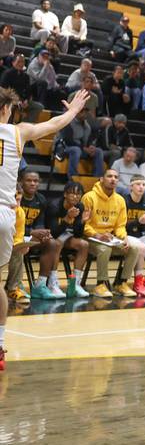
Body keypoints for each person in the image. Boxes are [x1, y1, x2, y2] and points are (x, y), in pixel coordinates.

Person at [0, 89, 91, 371]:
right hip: (5, 213)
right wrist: (73, 111)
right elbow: (52, 125)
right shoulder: (19, 131)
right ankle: (0, 345)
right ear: (6, 109)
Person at [81, 169, 142, 298]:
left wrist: (123, 238)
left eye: (116, 177)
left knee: (134, 248)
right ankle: (100, 284)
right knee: (104, 248)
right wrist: (97, 235)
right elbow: (83, 224)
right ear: (101, 179)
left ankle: (121, 283)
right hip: (90, 237)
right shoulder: (89, 197)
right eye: (109, 176)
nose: (113, 179)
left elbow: (120, 225)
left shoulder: (120, 200)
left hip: (109, 238)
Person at [15, 171, 60, 300]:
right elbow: (12, 223)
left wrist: (42, 233)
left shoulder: (41, 200)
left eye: (35, 181)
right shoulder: (16, 197)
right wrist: (32, 232)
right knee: (20, 244)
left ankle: (40, 285)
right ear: (21, 182)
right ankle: (16, 285)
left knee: (51, 242)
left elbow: (40, 222)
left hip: (29, 235)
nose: (33, 183)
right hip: (15, 235)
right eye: (29, 180)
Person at [46, 181, 90, 299]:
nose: (75, 197)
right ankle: (52, 283)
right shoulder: (54, 206)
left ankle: (75, 284)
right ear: (65, 194)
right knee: (57, 243)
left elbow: (78, 234)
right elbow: (54, 233)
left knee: (84, 244)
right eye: (72, 193)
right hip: (51, 236)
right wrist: (68, 218)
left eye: (78, 194)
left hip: (68, 235)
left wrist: (82, 222)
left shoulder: (80, 206)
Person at [60, 107, 104, 178]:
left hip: (81, 149)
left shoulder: (87, 126)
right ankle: (72, 176)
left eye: (87, 113)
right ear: (78, 113)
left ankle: (98, 177)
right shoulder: (68, 122)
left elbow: (88, 140)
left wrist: (90, 146)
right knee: (76, 150)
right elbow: (68, 140)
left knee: (98, 151)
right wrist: (83, 148)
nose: (86, 115)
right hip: (64, 147)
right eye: (84, 113)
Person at [1, 54, 44, 123]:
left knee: (39, 107)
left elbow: (28, 90)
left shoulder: (26, 76)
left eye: (23, 62)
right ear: (13, 62)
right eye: (19, 61)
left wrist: (26, 100)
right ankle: (7, 125)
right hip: (9, 100)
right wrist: (16, 100)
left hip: (22, 101)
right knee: (10, 107)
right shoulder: (7, 74)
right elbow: (4, 89)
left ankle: (24, 124)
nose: (21, 64)